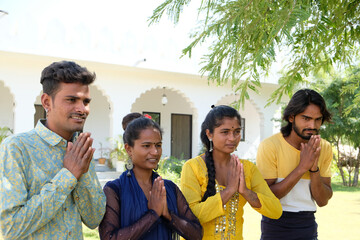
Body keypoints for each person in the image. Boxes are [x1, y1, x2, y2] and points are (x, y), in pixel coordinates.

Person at [0, 61, 106, 239]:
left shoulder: (81, 151)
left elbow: (94, 219)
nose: (82, 109)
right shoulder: (17, 148)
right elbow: (10, 228)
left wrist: (81, 173)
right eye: (72, 100)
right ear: (46, 102)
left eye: (86, 101)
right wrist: (68, 176)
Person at [180, 105, 282, 240]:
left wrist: (245, 191)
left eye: (237, 131)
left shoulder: (247, 169)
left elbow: (276, 210)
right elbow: (190, 216)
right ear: (209, 134)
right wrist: (228, 191)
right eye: (225, 132)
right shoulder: (193, 167)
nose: (232, 138)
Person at [99, 117, 203, 240]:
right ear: (129, 149)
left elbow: (197, 234)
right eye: (146, 146)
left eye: (158, 145)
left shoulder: (169, 188)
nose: (154, 152)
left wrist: (168, 215)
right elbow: (108, 237)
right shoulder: (115, 190)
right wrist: (153, 215)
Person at [256, 89, 333, 240]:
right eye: (306, 118)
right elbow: (268, 196)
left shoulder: (324, 148)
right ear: (291, 117)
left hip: (307, 224)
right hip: (275, 225)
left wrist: (313, 169)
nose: (313, 125)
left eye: (318, 119)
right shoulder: (270, 146)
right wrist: (302, 167)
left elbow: (323, 201)